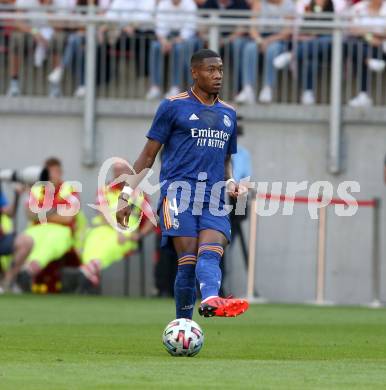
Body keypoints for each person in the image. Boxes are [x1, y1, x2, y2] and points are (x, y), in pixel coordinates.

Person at [117, 48, 249, 319]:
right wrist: (127, 194)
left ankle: (211, 297)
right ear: (194, 72)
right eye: (210, 70)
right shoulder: (172, 106)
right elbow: (148, 155)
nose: (217, 75)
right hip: (178, 195)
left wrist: (232, 181)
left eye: (221, 70)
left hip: (213, 197)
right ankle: (184, 324)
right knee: (188, 259)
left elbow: (225, 160)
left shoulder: (229, 114)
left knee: (211, 251)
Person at [62, 161, 154, 294]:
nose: (118, 173)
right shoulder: (104, 190)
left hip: (127, 233)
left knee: (110, 245)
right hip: (104, 228)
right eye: (116, 170)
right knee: (91, 242)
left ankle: (85, 275)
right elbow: (103, 214)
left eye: (122, 170)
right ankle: (89, 276)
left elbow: (152, 219)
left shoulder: (138, 193)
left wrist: (139, 235)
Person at [1, 157, 82, 292]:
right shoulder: (37, 189)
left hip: (61, 230)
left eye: (55, 171)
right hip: (37, 228)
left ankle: (27, 271)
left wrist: (42, 213)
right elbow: (29, 214)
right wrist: (57, 210)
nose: (51, 175)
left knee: (50, 243)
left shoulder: (69, 188)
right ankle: (12, 280)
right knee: (26, 240)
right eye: (48, 172)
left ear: (61, 172)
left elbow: (68, 218)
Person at [233, 0, 295, 104]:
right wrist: (259, 41)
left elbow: (287, 32)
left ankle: (268, 88)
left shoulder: (288, 5)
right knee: (249, 48)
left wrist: (269, 41)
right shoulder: (258, 3)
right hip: (260, 38)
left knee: (272, 50)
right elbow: (252, 28)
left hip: (278, 40)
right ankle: (247, 88)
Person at [146, 0, 201, 100]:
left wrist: (173, 42)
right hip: (167, 37)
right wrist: (164, 41)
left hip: (186, 38)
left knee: (179, 49)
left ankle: (176, 86)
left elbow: (189, 28)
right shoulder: (163, 4)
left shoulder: (190, 4)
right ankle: (155, 87)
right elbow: (160, 26)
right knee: (155, 46)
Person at [346, 0, 386, 107]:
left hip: (382, 47)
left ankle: (371, 59)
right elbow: (353, 29)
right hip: (365, 45)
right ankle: (369, 60)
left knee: (360, 53)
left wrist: (368, 33)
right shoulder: (359, 8)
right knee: (356, 49)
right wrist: (370, 36)